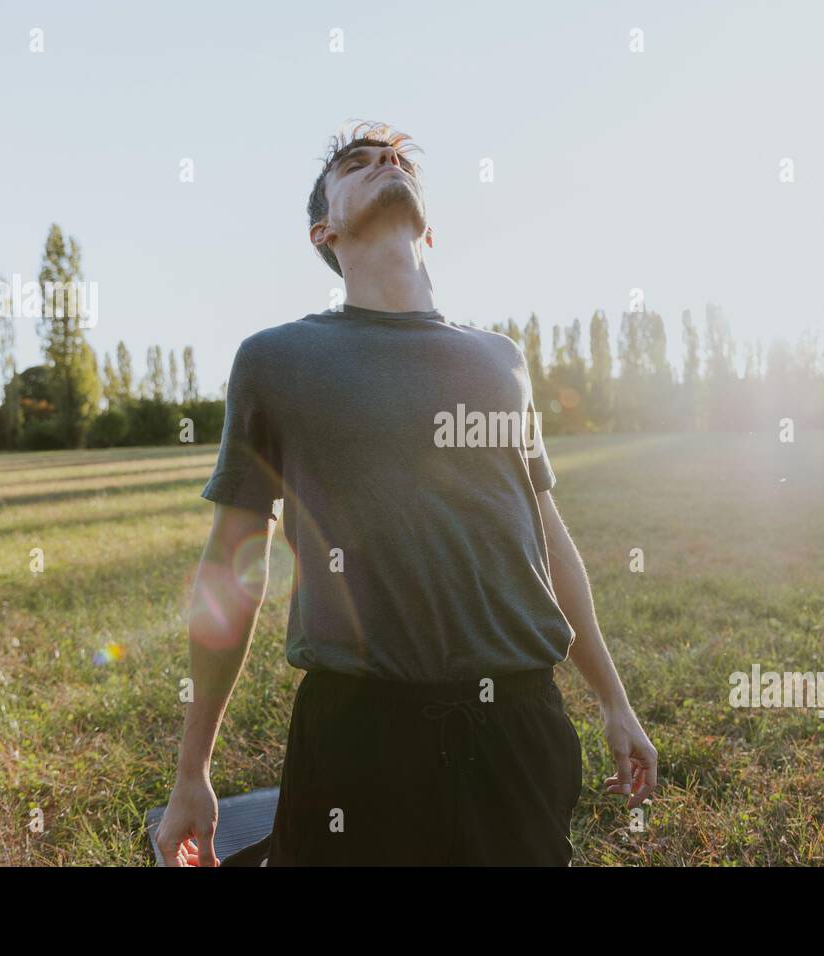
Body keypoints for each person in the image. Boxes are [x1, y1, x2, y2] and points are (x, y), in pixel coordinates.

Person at [156, 121, 656, 866]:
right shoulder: (277, 359)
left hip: (516, 720)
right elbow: (232, 569)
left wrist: (615, 702)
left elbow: (546, 535)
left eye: (395, 160)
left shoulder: (501, 360)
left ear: (431, 226)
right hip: (359, 730)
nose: (385, 164)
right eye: (358, 164)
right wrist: (193, 770)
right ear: (324, 230)